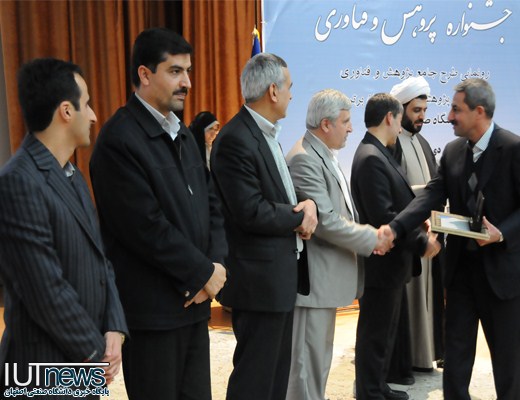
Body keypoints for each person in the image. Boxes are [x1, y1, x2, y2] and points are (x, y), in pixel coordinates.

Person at [89, 28, 227, 400]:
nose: (187, 82)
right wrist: (202, 273)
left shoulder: (183, 134)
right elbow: (145, 228)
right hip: (153, 315)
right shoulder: (119, 140)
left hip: (195, 305)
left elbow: (212, 205)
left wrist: (215, 266)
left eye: (188, 71)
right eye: (175, 71)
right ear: (145, 74)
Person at [0, 58, 127, 397]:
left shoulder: (72, 175)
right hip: (42, 367)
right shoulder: (17, 181)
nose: (94, 116)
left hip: (82, 362)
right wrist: (94, 351)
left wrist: (114, 327)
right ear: (66, 111)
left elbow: (100, 259)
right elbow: (44, 290)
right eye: (87, 104)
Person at [388, 78, 520, 400]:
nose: (448, 117)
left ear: (479, 111)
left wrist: (501, 233)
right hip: (461, 273)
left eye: (456, 110)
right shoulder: (452, 151)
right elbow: (431, 196)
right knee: (456, 360)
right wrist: (396, 228)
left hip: (502, 276)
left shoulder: (513, 149)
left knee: (509, 364)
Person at [210, 53, 318, 400]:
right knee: (255, 381)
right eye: (289, 87)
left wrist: (307, 203)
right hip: (258, 283)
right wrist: (300, 217)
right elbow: (251, 210)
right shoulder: (235, 138)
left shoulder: (266, 134)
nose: (291, 95)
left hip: (277, 279)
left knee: (274, 379)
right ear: (273, 90)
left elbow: (281, 192)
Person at [284, 89, 393, 400]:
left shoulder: (321, 153)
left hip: (325, 282)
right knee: (306, 369)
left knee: (317, 363)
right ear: (326, 124)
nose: (350, 128)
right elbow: (327, 222)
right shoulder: (305, 159)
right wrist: (372, 238)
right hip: (314, 284)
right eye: (345, 121)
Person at [350, 93, 440, 400]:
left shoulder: (379, 152)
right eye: (399, 119)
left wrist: (418, 222)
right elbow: (384, 216)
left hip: (391, 264)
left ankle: (378, 387)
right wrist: (420, 241)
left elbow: (398, 204)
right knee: (375, 333)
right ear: (390, 117)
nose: (401, 126)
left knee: (384, 333)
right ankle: (369, 392)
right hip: (381, 263)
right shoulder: (371, 158)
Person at [387, 76, 445, 380]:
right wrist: (422, 195)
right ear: (401, 110)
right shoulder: (393, 142)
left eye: (424, 110)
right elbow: (392, 191)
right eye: (416, 110)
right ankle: (409, 359)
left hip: (428, 231)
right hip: (407, 234)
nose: (422, 116)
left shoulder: (422, 142)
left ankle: (426, 354)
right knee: (409, 299)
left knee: (428, 298)